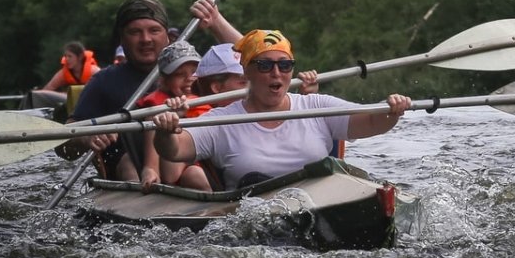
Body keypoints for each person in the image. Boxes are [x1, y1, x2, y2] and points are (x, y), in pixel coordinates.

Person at [151, 29, 410, 191]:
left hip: (316, 204)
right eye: (264, 65)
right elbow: (175, 150)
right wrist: (166, 131)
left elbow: (372, 122)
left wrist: (392, 112)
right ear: (247, 71)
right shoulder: (223, 120)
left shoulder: (315, 106)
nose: (276, 73)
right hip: (253, 217)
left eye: (285, 65)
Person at [59, 0, 174, 181]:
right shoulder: (103, 82)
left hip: (181, 166)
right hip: (129, 176)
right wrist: (87, 138)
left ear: (167, 36)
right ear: (122, 39)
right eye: (135, 32)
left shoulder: (190, 76)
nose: (145, 39)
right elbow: (65, 146)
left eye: (154, 30)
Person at [136, 41, 211, 192]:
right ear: (165, 79)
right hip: (177, 172)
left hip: (212, 168)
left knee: (198, 174)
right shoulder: (157, 108)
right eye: (179, 74)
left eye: (194, 72)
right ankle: (150, 170)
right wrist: (177, 117)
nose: (189, 78)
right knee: (195, 174)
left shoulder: (212, 100)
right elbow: (171, 176)